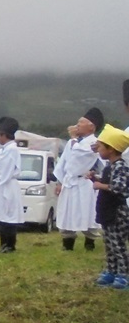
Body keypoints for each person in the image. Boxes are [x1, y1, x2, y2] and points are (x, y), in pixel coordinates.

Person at [55, 108, 104, 251]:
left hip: (85, 184)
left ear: (91, 126)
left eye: (81, 123)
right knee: (67, 214)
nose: (77, 125)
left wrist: (95, 172)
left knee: (88, 214)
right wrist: (59, 181)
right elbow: (63, 162)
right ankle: (67, 243)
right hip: (69, 182)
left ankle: (90, 243)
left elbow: (84, 156)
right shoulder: (73, 143)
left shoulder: (94, 143)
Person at [91, 125, 129, 288]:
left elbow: (121, 187)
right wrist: (95, 178)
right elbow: (107, 181)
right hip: (107, 212)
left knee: (118, 244)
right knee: (109, 244)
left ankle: (124, 274)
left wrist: (100, 185)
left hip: (117, 213)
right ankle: (111, 271)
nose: (98, 150)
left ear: (111, 149)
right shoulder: (110, 167)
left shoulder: (121, 166)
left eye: (100, 147)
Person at [0, 117, 22, 253]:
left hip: (7, 184)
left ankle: (10, 244)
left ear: (5, 135)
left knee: (9, 215)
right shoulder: (5, 149)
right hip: (2, 184)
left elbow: (3, 166)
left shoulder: (12, 150)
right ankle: (3, 244)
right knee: (2, 215)